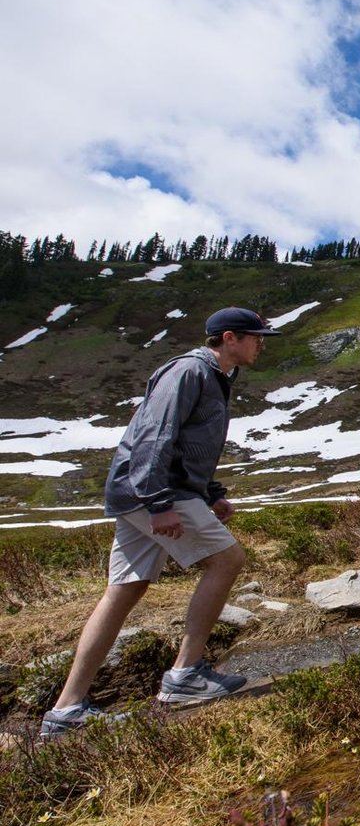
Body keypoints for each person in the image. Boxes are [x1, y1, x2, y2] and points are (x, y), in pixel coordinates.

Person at [41, 307, 280, 739]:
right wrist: (158, 503)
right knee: (227, 560)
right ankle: (185, 675)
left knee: (124, 590)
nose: (261, 343)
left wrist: (210, 492)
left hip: (150, 492)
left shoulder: (217, 377)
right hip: (153, 492)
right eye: (256, 337)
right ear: (229, 338)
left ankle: (66, 710)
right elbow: (156, 433)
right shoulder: (190, 371)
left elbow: (191, 441)